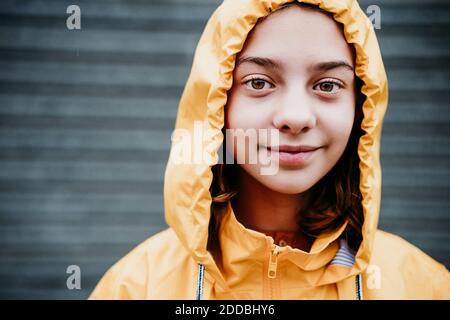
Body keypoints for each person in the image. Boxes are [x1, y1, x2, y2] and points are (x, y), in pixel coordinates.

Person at [89, 0, 450, 299]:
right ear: (215, 104)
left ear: (362, 108)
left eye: (327, 84)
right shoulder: (135, 287)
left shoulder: (423, 286)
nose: (295, 117)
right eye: (259, 82)